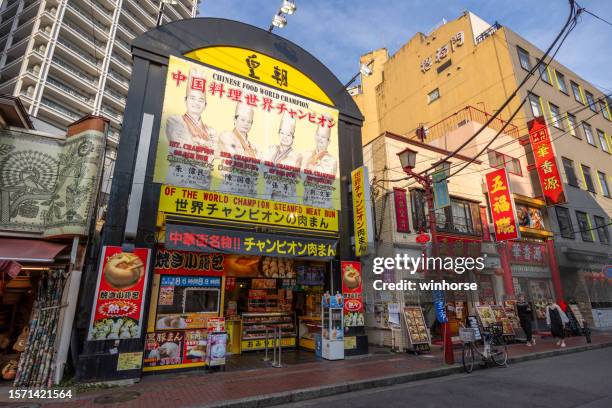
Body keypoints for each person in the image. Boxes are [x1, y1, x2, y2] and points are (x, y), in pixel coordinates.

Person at [165, 68, 217, 189]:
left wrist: (198, 144)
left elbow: (216, 153)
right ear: (185, 100)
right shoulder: (175, 121)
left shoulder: (211, 130)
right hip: (178, 183)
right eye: (192, 98)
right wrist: (207, 146)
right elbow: (184, 148)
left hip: (202, 186)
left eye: (201, 100)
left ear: (205, 105)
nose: (196, 103)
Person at [218, 102, 259, 196]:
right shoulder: (226, 136)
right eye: (243, 120)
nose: (246, 124)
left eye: (249, 122)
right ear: (235, 119)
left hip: (249, 192)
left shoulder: (253, 146)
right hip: (230, 189)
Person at [264, 113, 302, 202]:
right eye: (282, 133)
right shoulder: (271, 149)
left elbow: (296, 178)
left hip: (287, 198)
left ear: (293, 137)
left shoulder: (297, 155)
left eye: (288, 135)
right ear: (278, 133)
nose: (284, 137)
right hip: (268, 195)